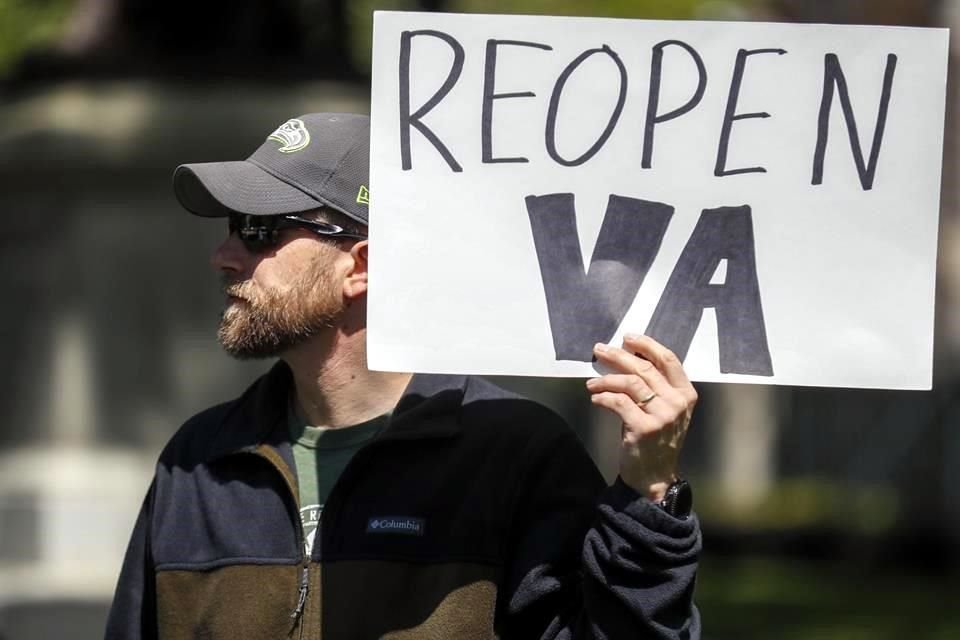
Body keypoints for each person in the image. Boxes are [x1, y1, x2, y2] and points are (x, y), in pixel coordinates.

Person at [105, 113, 701, 639]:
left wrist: (648, 496)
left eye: (259, 229)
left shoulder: (512, 453)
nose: (225, 255)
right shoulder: (197, 462)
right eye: (232, 227)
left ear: (360, 266)